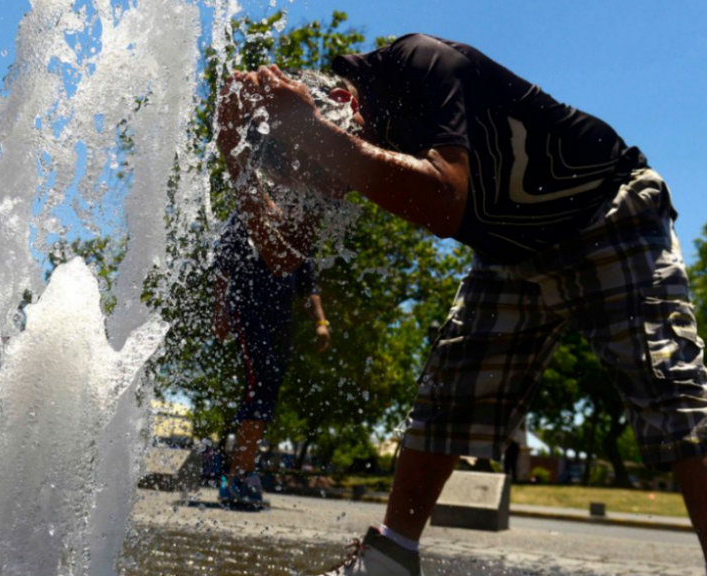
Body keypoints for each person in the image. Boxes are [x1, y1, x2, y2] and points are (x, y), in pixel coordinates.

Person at [217, 34, 707, 576]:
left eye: (321, 174)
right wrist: (231, 156)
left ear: (343, 110)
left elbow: (446, 200)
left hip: (606, 210)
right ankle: (390, 560)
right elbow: (284, 256)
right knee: (446, 398)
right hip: (512, 251)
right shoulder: (331, 140)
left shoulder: (420, 62)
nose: (332, 192)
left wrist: (313, 134)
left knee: (671, 391)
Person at [213, 214, 330, 507]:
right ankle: (238, 476)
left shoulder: (297, 218)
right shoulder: (248, 211)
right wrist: (220, 309)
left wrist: (321, 322)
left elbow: (308, 285)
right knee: (261, 381)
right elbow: (223, 266)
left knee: (269, 389)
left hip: (281, 319)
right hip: (247, 308)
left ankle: (243, 471)